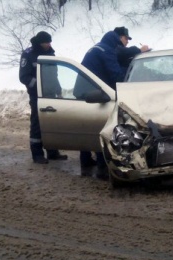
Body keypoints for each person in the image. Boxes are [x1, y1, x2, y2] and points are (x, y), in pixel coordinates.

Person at [79, 30, 127, 174]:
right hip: (95, 93)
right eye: (118, 45)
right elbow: (116, 75)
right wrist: (127, 68)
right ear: (115, 43)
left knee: (87, 125)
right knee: (102, 125)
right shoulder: (107, 51)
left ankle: (85, 159)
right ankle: (102, 165)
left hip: (82, 90)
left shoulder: (97, 47)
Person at [19, 31, 68, 164]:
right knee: (37, 123)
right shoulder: (28, 54)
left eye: (50, 42)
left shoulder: (50, 53)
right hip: (37, 95)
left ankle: (52, 152)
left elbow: (54, 75)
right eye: (47, 42)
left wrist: (57, 89)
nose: (49, 44)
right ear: (40, 42)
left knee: (51, 122)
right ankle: (37, 154)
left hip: (51, 94)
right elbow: (24, 77)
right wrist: (39, 86)